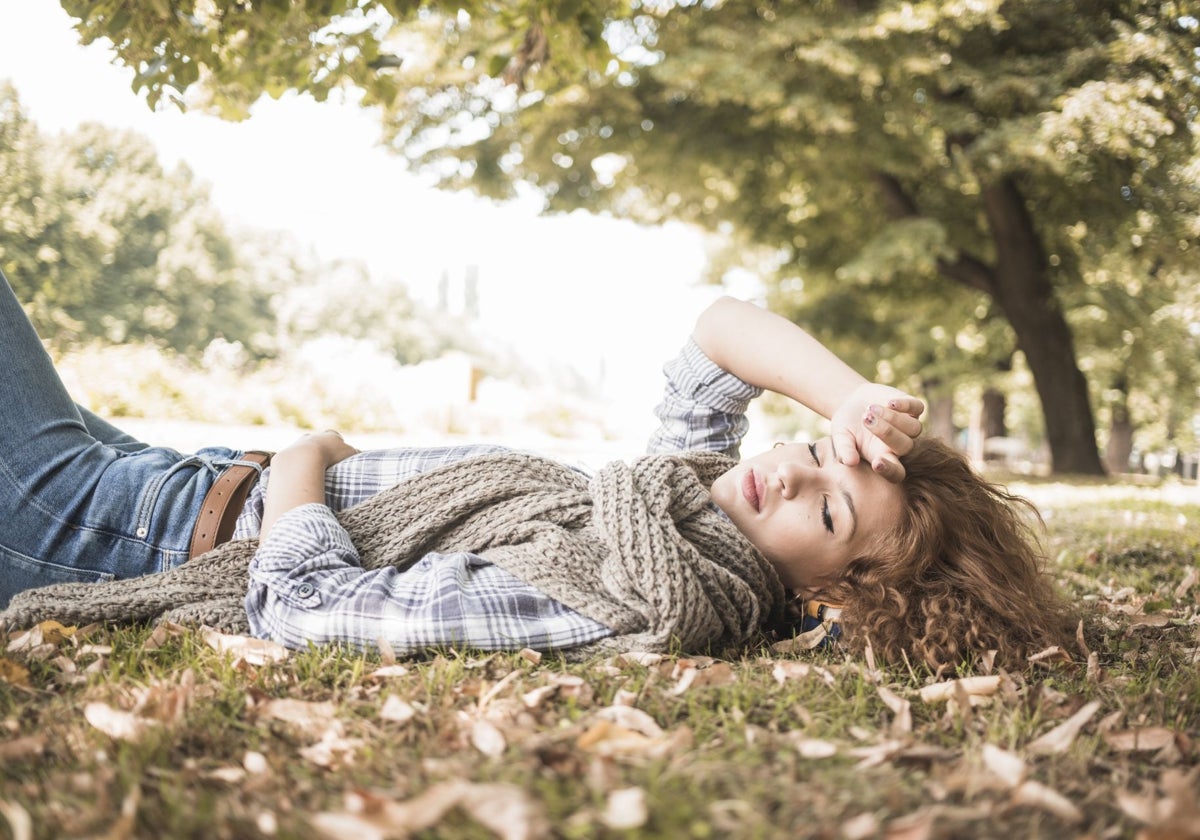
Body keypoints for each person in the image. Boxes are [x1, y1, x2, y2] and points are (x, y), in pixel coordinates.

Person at [0, 271, 1073, 669]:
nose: (790, 471)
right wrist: (841, 397)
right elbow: (718, 334)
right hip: (173, 476)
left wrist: (306, 459)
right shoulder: (678, 507)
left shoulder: (633, 596)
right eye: (818, 455)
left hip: (129, 530)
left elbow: (318, 613)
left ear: (836, 593)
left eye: (832, 510)